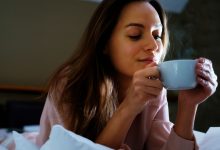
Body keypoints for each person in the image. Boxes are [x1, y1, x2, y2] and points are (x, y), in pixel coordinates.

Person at [35, 0, 218, 149]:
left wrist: (188, 105)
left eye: (157, 35)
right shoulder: (70, 83)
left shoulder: (155, 87)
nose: (154, 46)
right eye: (135, 35)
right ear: (104, 43)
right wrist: (131, 104)